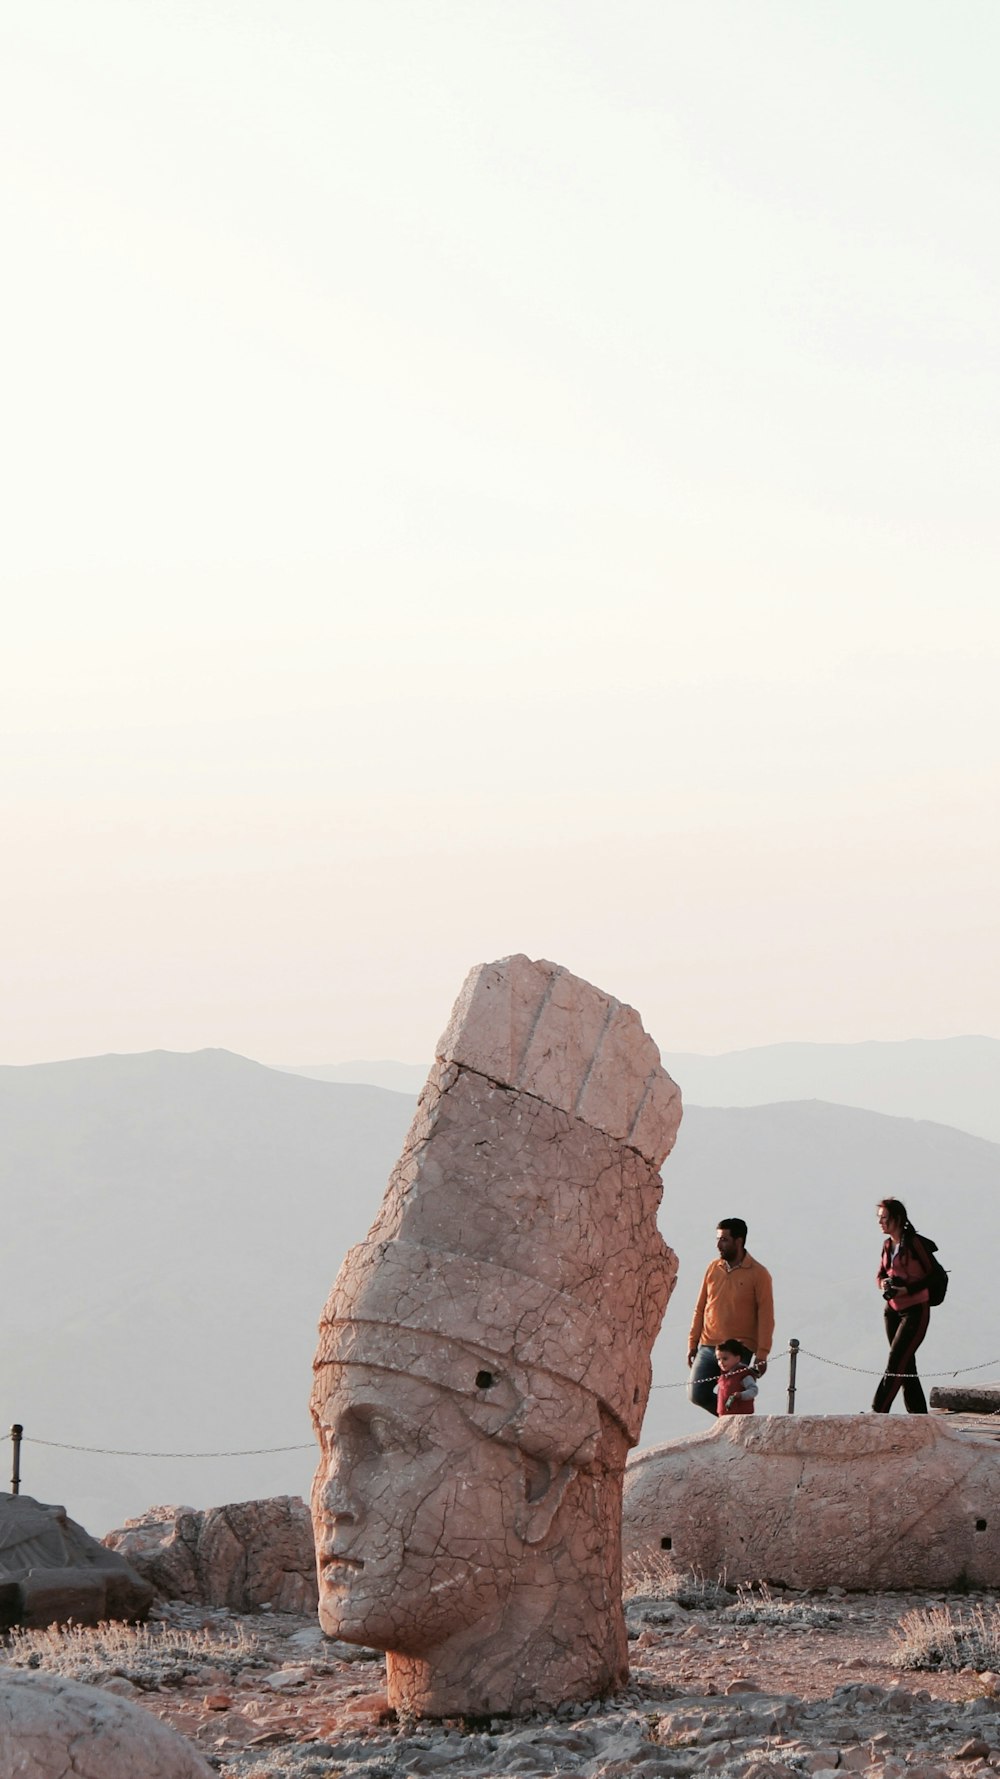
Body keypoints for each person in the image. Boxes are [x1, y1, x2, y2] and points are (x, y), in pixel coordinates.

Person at [687, 1218, 775, 1415]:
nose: (719, 1245)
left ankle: (735, 1426)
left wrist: (762, 1353)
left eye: (724, 1240)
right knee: (696, 1393)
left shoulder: (759, 1274)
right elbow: (700, 1306)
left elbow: (766, 1316)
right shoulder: (713, 1268)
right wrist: (692, 1342)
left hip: (739, 1348)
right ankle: (729, 1423)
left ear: (739, 1241)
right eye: (718, 1239)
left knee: (733, 1391)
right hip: (709, 1344)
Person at [872, 1197, 933, 1414]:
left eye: (884, 1218)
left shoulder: (914, 1243)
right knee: (906, 1366)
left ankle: (877, 1412)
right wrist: (884, 1285)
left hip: (916, 1309)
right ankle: (919, 1418)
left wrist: (906, 1289)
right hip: (892, 1310)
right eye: (878, 1218)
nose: (880, 1223)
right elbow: (879, 1274)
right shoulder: (888, 1246)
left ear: (897, 1219)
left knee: (896, 1362)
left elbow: (932, 1275)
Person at [714, 1339, 758, 1415]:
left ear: (737, 1358)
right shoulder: (724, 1376)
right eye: (718, 1359)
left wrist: (741, 1395)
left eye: (725, 1359)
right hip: (724, 1415)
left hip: (741, 1415)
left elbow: (753, 1390)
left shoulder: (743, 1374)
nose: (721, 1362)